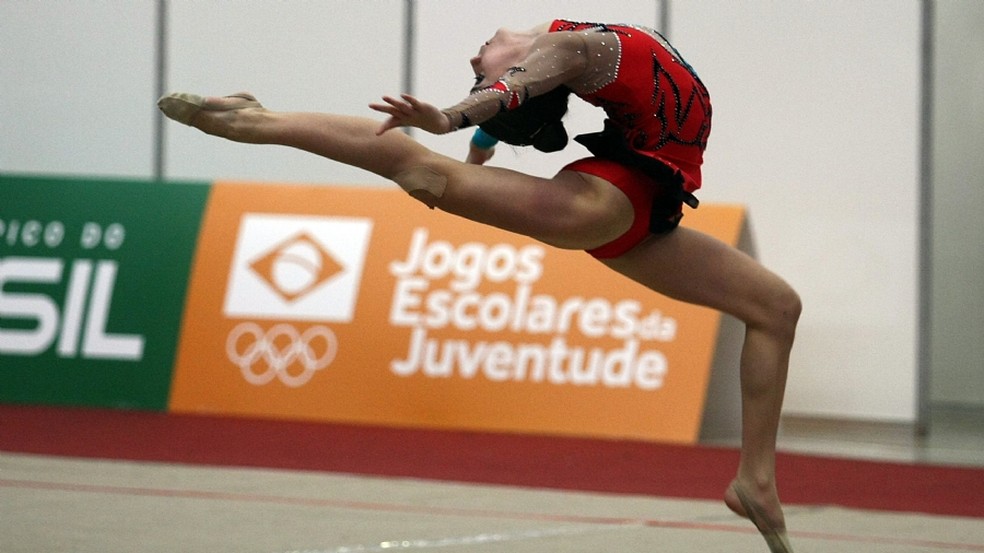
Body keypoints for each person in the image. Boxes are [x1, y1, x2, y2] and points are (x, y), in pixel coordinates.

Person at [158, 19, 801, 552]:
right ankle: (251, 120)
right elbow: (514, 87)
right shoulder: (567, 49)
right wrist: (449, 117)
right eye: (478, 64)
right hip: (608, 200)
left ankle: (756, 479)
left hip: (642, 214)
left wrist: (474, 134)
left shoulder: (564, 52)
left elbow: (514, 95)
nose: (476, 52)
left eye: (479, 60)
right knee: (419, 169)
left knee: (775, 306)